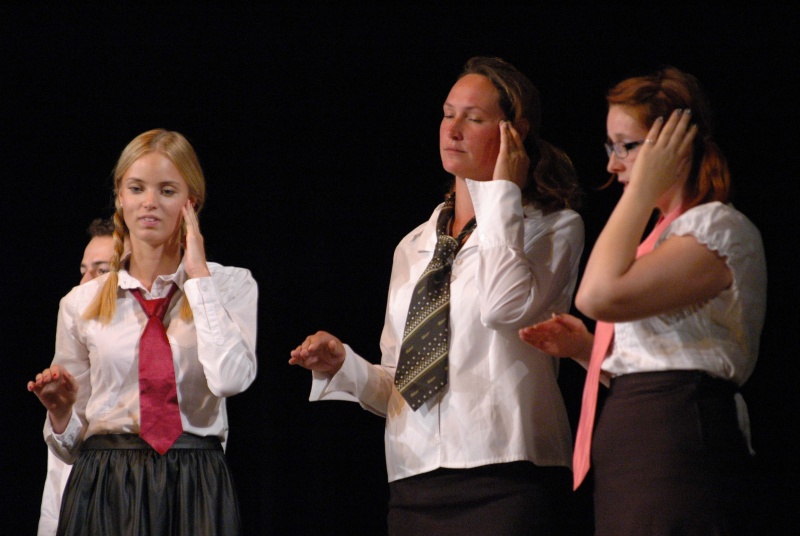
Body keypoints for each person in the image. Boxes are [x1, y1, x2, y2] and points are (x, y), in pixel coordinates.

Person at [290, 56, 584, 535]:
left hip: (507, 472)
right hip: (414, 479)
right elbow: (401, 383)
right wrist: (345, 365)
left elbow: (502, 307)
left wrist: (503, 192)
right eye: (448, 114)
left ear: (515, 131)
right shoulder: (413, 245)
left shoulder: (552, 228)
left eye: (474, 117)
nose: (453, 129)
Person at [519, 66, 766, 535]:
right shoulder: (662, 237)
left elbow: (597, 295)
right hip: (639, 431)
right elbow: (653, 351)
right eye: (609, 147)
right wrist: (587, 349)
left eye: (626, 146)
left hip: (677, 430)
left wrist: (642, 191)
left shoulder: (716, 228)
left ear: (675, 145)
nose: (613, 165)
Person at [27, 129, 258, 536]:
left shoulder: (230, 285)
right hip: (105, 484)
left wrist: (198, 278)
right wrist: (61, 414)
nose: (150, 202)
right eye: (137, 188)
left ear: (191, 202)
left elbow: (230, 380)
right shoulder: (81, 303)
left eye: (167, 190)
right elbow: (70, 447)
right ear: (120, 196)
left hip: (195, 482)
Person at [38, 218, 115, 536]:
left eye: (101, 270)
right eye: (84, 270)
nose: (85, 282)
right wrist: (61, 413)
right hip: (88, 500)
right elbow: (67, 451)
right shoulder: (77, 320)